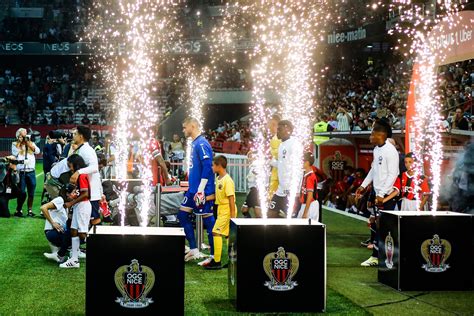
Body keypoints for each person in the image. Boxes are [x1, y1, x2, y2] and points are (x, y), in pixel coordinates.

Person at [356, 120, 399, 267]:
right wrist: (363, 186)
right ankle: (378, 256)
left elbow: (394, 174)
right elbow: (374, 171)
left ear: (381, 134)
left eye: (372, 133)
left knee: (385, 228)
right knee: (378, 226)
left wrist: (382, 194)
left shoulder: (390, 151)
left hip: (385, 196)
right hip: (378, 194)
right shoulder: (376, 150)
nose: (370, 136)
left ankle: (384, 257)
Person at [179, 117, 216, 261]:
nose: (183, 130)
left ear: (192, 126)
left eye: (184, 127)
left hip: (202, 191)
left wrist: (201, 189)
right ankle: (194, 249)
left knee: (209, 220)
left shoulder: (201, 143)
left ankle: (214, 255)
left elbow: (208, 167)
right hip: (193, 190)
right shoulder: (195, 143)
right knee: (182, 215)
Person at [51, 126, 102, 226]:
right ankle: (84, 240)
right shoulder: (81, 149)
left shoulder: (86, 150)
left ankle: (98, 240)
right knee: (80, 222)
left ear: (81, 136)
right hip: (85, 191)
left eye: (75, 134)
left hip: (91, 192)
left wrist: (78, 172)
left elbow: (95, 167)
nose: (73, 136)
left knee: (93, 220)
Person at [59, 154, 92, 269]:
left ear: (76, 164)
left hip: (83, 206)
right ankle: (74, 259)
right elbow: (80, 192)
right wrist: (72, 197)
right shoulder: (79, 175)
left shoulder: (82, 175)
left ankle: (99, 250)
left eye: (70, 165)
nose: (70, 168)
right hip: (79, 206)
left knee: (82, 234)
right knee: (73, 231)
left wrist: (70, 203)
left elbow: (86, 194)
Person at [205, 156, 236, 270]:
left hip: (227, 209)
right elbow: (217, 196)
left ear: (219, 166)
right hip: (221, 208)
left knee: (215, 232)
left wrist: (233, 217)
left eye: (213, 165)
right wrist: (205, 198)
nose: (212, 167)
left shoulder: (227, 180)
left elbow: (231, 199)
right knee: (228, 236)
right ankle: (232, 261)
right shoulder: (218, 178)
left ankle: (217, 261)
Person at [268, 120, 301, 218]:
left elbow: (298, 168)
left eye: (280, 129)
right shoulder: (281, 145)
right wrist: (269, 160)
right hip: (281, 189)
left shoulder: (294, 144)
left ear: (288, 129)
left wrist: (296, 190)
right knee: (271, 213)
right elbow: (282, 164)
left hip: (290, 189)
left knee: (290, 219)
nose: (277, 132)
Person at [12, 128, 40, 217]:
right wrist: (20, 143)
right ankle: (18, 209)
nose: (26, 135)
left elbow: (37, 151)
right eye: (23, 133)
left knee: (31, 193)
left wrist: (28, 143)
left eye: (26, 133)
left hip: (31, 171)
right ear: (18, 135)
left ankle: (30, 210)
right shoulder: (15, 144)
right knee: (22, 192)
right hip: (21, 172)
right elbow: (15, 154)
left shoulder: (31, 143)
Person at [41, 186, 71, 264]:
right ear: (67, 193)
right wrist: (53, 222)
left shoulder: (66, 204)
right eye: (74, 192)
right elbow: (44, 208)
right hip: (52, 231)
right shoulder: (60, 200)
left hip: (57, 231)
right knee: (74, 236)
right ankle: (59, 252)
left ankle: (60, 249)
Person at [294, 152, 319, 221]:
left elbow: (310, 196)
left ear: (307, 162)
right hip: (307, 205)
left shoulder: (310, 177)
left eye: (302, 160)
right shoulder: (306, 175)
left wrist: (305, 213)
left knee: (306, 229)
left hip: (310, 205)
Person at [241, 152, 261, 218]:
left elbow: (258, 174)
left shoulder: (256, 165)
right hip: (254, 190)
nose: (249, 158)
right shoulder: (253, 165)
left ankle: (258, 226)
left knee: (246, 210)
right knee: (246, 210)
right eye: (249, 156)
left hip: (255, 190)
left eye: (250, 156)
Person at [268, 114, 281, 199]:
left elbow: (279, 159)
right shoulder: (275, 138)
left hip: (278, 177)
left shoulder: (276, 139)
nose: (268, 127)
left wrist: (269, 160)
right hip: (277, 175)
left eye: (269, 124)